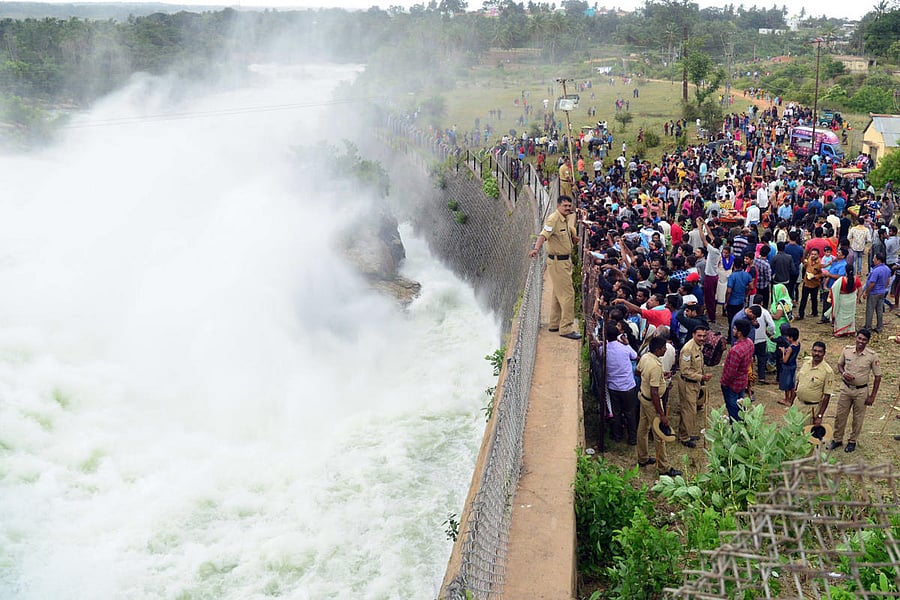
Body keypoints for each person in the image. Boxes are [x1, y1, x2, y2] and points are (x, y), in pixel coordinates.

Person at [530, 195, 581, 339]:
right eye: (564, 206)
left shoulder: (564, 220)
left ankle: (554, 323)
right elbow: (543, 235)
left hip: (564, 262)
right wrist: (536, 249)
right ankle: (566, 328)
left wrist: (573, 239)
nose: (567, 208)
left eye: (569, 206)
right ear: (558, 206)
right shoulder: (553, 219)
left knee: (558, 294)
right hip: (558, 262)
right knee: (568, 295)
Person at [828, 329, 883, 453]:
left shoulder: (872, 356)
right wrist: (844, 373)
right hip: (846, 389)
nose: (861, 341)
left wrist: (872, 396)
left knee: (858, 418)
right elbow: (839, 365)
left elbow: (878, 377)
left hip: (861, 392)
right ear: (856, 338)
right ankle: (837, 439)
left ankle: (852, 441)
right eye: (859, 338)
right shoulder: (847, 350)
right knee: (840, 416)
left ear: (868, 341)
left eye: (864, 339)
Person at [636, 336, 681, 477]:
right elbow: (655, 393)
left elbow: (638, 372)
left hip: (643, 397)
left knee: (643, 428)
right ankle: (664, 467)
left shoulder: (645, 357)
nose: (665, 349)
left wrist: (660, 376)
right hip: (651, 402)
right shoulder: (655, 366)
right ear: (657, 349)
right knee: (660, 435)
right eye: (663, 348)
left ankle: (642, 457)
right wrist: (662, 415)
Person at [670, 324, 712, 447]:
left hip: (695, 383)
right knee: (689, 411)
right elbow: (685, 371)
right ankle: (684, 437)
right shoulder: (688, 349)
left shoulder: (699, 346)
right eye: (699, 336)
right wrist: (702, 377)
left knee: (690, 410)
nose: (702, 338)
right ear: (693, 335)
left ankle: (686, 432)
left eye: (704, 336)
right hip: (688, 383)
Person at [604, 322, 639, 444]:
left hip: (613, 386)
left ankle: (617, 436)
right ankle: (633, 438)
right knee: (630, 412)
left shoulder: (603, 349)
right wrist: (627, 344)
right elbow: (635, 356)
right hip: (628, 386)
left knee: (617, 412)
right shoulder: (624, 347)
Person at [720, 318, 755, 422]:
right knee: (741, 408)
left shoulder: (736, 351)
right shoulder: (749, 343)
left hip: (732, 385)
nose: (733, 330)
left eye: (735, 329)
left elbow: (731, 373)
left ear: (739, 333)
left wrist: (724, 382)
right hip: (742, 381)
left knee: (733, 412)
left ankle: (735, 432)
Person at [794, 341, 835, 426]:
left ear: (824, 353)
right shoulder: (806, 363)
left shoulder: (828, 371)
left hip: (811, 409)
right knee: (792, 433)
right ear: (811, 351)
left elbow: (827, 396)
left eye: (820, 351)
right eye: (815, 350)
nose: (817, 353)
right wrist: (792, 403)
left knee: (807, 435)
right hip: (797, 404)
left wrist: (820, 416)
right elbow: (798, 383)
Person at [827, 263, 861, 337]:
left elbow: (833, 289)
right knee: (851, 315)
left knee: (840, 315)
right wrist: (858, 298)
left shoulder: (841, 280)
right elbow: (860, 289)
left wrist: (830, 296)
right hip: (852, 300)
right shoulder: (856, 279)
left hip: (843, 300)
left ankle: (840, 331)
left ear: (845, 270)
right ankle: (850, 330)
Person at [861, 253, 890, 334]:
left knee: (870, 310)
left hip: (874, 292)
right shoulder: (887, 269)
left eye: (874, 258)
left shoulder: (876, 270)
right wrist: (883, 288)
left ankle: (868, 327)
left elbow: (872, 283)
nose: (873, 260)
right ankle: (879, 327)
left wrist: (866, 293)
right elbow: (888, 281)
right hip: (881, 292)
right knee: (879, 310)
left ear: (878, 260)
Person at [778, 327, 800, 407]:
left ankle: (787, 399)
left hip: (787, 367)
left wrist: (783, 351)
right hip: (793, 365)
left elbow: (785, 360)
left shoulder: (790, 348)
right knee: (792, 383)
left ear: (791, 337)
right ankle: (792, 399)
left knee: (787, 384)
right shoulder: (798, 344)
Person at [798, 248, 823, 320]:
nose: (813, 256)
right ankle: (801, 314)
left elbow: (822, 274)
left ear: (818, 255)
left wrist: (814, 276)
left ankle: (814, 312)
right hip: (806, 283)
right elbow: (805, 266)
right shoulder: (808, 260)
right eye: (812, 254)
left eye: (815, 254)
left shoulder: (820, 263)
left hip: (814, 284)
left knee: (814, 298)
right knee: (803, 299)